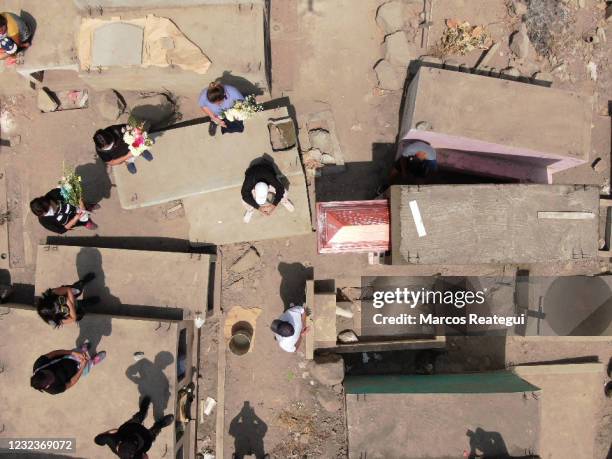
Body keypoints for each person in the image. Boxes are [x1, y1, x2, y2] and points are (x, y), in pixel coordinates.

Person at [94, 396, 175, 459]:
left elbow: (98, 440)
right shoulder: (138, 455)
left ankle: (142, 411)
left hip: (130, 428)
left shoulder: (113, 440)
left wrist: (102, 438)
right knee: (153, 433)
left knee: (137, 418)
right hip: (145, 439)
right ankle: (160, 424)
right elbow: (145, 457)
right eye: (134, 443)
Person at [30, 344, 106, 395]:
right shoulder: (54, 390)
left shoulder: (39, 364)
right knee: (87, 367)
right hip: (77, 371)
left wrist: (72, 353)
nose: (52, 376)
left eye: (49, 374)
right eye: (50, 380)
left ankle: (81, 350)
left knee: (77, 351)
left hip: (67, 358)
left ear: (42, 371)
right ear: (46, 387)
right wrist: (82, 368)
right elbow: (71, 382)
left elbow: (55, 353)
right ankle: (92, 362)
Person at [30, 188, 98, 233]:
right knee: (80, 221)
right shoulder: (44, 221)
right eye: (48, 211)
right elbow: (61, 230)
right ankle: (85, 222)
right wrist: (74, 220)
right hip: (72, 220)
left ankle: (87, 207)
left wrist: (81, 203)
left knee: (84, 207)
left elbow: (73, 192)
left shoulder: (53, 194)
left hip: (76, 206)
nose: (54, 208)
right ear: (42, 214)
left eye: (51, 205)